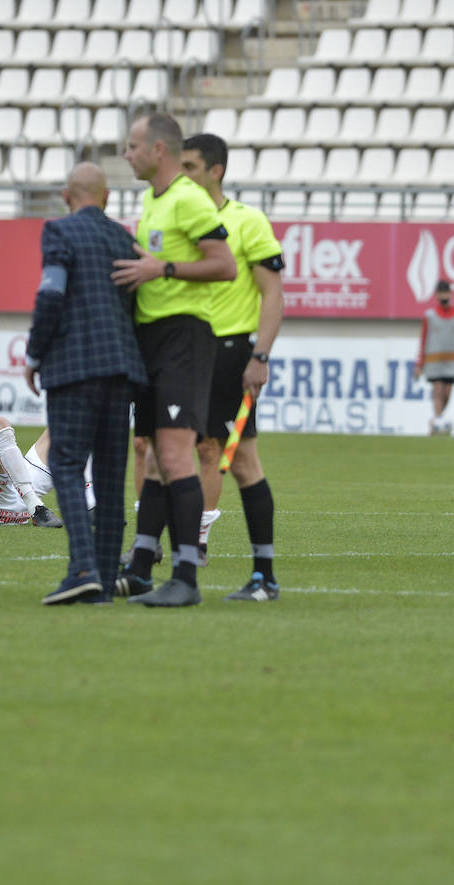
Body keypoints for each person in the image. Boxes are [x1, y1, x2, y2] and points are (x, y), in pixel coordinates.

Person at [109, 112, 236, 607]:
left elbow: (224, 265)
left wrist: (161, 266)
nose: (126, 154)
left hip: (186, 336)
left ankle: (185, 576)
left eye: (133, 146)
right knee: (157, 457)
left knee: (178, 454)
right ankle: (141, 566)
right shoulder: (151, 199)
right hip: (153, 337)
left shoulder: (187, 198)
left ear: (157, 150)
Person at [24, 161, 148, 606]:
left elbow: (51, 294)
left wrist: (35, 354)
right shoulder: (123, 238)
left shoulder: (59, 233)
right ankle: (104, 574)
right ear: (108, 198)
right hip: (121, 370)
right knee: (113, 477)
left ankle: (82, 570)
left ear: (65, 196)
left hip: (73, 368)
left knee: (69, 465)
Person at [178, 133, 286, 601]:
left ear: (215, 170)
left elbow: (273, 294)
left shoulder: (247, 221)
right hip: (187, 352)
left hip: (229, 355)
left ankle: (264, 575)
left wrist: (259, 356)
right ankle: (191, 546)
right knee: (195, 450)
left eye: (191, 167)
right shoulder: (182, 219)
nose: (183, 175)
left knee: (242, 462)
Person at [414, 279, 454, 435]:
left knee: (448, 392)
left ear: (450, 294)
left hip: (452, 361)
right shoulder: (430, 316)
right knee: (438, 389)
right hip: (434, 361)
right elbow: (424, 339)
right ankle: (439, 421)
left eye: (446, 292)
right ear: (436, 295)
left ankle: (436, 420)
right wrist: (420, 363)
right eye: (441, 293)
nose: (444, 296)